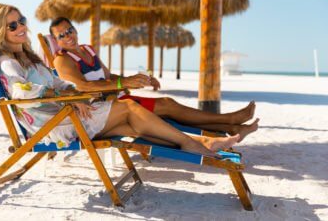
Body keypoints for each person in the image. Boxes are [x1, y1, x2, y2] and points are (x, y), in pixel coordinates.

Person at [0, 3, 241, 158]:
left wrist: (75, 96)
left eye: (21, 20)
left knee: (132, 127)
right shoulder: (10, 62)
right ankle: (192, 142)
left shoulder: (30, 58)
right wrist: (71, 102)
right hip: (55, 125)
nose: (20, 27)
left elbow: (58, 84)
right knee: (130, 108)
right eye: (11, 25)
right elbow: (23, 93)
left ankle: (202, 142)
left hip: (67, 114)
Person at [48, 17, 259, 142]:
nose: (68, 36)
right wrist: (123, 83)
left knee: (168, 107)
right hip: (105, 111)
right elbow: (83, 86)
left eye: (70, 30)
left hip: (117, 100)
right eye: (61, 35)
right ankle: (229, 122)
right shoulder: (62, 60)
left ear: (75, 29)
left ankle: (231, 127)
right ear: (56, 42)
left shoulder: (88, 49)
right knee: (168, 106)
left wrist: (139, 79)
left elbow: (109, 76)